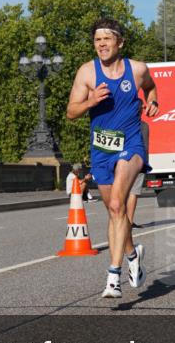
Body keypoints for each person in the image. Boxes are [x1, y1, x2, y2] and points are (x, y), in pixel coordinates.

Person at [66, 18, 159, 299]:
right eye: (97, 40)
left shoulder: (137, 69)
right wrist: (90, 101)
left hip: (130, 144)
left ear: (120, 42)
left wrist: (153, 101)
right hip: (101, 149)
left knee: (119, 203)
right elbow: (71, 111)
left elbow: (151, 87)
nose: (102, 44)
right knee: (114, 211)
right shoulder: (87, 73)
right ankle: (133, 254)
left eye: (107, 39)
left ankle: (113, 276)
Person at [126, 120, 150, 229]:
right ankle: (129, 221)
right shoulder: (143, 125)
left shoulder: (122, 122)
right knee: (133, 192)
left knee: (122, 191)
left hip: (122, 160)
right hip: (138, 161)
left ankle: (120, 220)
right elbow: (144, 146)